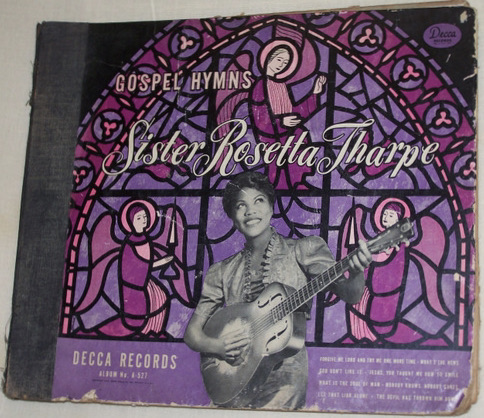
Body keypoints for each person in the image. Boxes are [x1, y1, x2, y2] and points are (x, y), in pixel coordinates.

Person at [184, 172, 371, 409]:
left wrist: (356, 272)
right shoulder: (220, 271)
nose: (250, 211)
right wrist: (219, 347)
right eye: (240, 205)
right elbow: (192, 334)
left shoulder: (304, 249)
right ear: (232, 217)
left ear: (271, 207)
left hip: (285, 379)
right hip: (234, 378)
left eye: (259, 201)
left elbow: (352, 295)